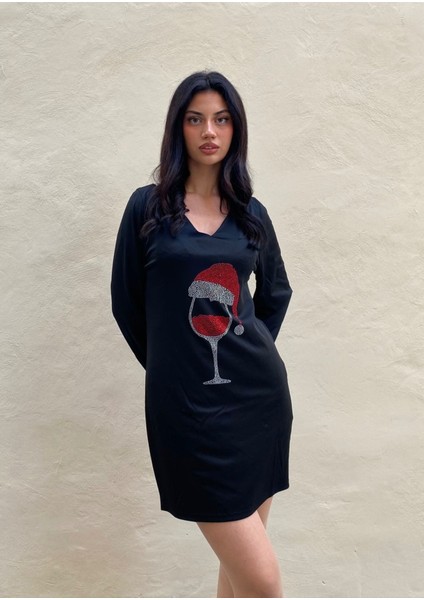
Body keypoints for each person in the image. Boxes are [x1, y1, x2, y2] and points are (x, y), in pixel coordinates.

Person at [111, 71, 293, 598]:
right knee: (262, 582)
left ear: (236, 129)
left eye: (221, 119)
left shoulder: (251, 214)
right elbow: (127, 303)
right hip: (185, 409)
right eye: (196, 119)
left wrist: (246, 352)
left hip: (258, 404)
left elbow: (275, 293)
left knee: (238, 580)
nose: (209, 131)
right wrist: (176, 370)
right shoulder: (147, 208)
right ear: (179, 128)